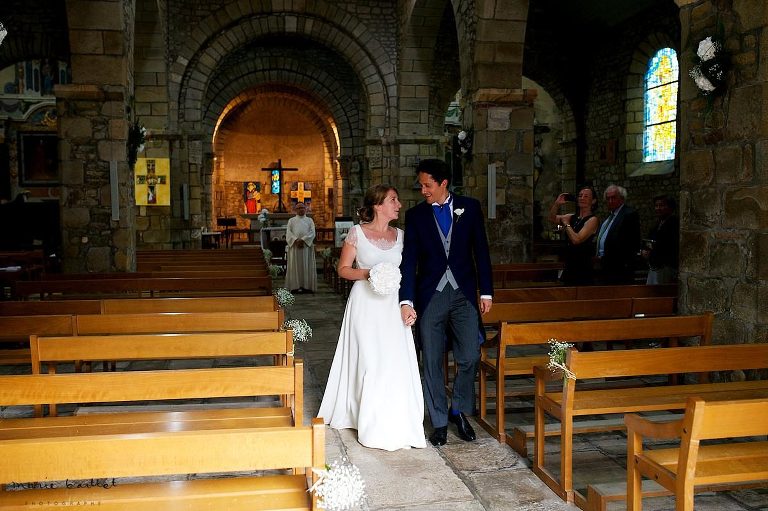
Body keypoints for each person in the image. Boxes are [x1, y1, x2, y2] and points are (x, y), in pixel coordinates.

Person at [318, 185, 426, 451]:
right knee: (368, 360)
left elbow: (409, 272)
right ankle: (364, 416)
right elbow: (342, 269)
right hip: (365, 304)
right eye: (393, 200)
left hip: (391, 306)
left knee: (391, 359)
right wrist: (369, 274)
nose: (399, 204)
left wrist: (406, 302)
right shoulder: (357, 233)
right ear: (378, 205)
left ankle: (392, 415)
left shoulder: (401, 236)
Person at [399, 158, 493, 447]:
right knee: (431, 361)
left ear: (443, 184)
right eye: (421, 185)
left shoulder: (471, 207)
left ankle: (458, 410)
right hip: (431, 296)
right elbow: (410, 260)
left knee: (469, 357)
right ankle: (439, 421)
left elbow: (481, 250)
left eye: (427, 185)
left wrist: (486, 292)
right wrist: (406, 299)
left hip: (464, 293)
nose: (423, 190)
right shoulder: (416, 216)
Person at [548, 187, 600, 286]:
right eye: (580, 196)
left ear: (593, 201)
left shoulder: (592, 220)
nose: (582, 198)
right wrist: (557, 204)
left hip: (582, 267)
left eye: (586, 196)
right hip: (569, 264)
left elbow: (577, 239)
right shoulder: (571, 217)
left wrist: (566, 224)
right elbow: (552, 218)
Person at [595, 184, 641, 284]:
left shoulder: (629, 214)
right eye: (608, 198)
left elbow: (633, 242)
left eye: (613, 198)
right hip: (605, 264)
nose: (610, 201)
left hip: (619, 267)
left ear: (622, 199)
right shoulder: (611, 216)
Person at [641, 194, 679, 284]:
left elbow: (669, 246)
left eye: (661, 205)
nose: (658, 208)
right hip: (655, 266)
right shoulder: (657, 225)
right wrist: (644, 250)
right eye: (656, 206)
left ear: (670, 207)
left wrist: (653, 251)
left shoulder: (674, 223)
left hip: (666, 266)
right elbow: (649, 241)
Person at [284, 202, 317, 293]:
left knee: (306, 265)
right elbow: (288, 233)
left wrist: (303, 240)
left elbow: (312, 232)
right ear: (295, 209)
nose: (301, 209)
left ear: (305, 209)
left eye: (302, 207)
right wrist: (295, 240)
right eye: (298, 208)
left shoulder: (310, 220)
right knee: (295, 267)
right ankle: (295, 286)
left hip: (306, 247)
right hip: (295, 247)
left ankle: (307, 286)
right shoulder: (291, 220)